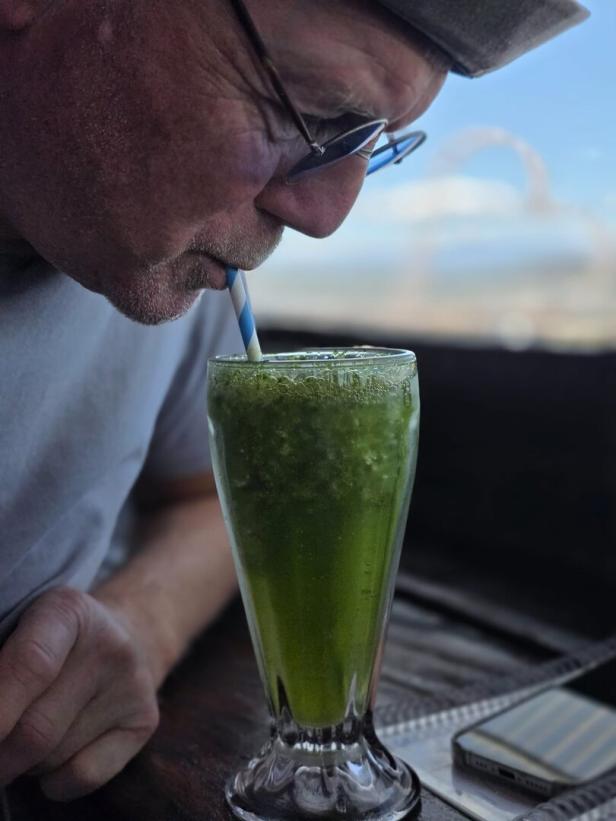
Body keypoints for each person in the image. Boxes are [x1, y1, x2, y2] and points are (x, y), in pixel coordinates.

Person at [0, 0, 588, 803]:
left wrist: (141, 621)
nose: (323, 217)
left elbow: (212, 498)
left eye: (366, 145)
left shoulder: (175, 270)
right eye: (310, 111)